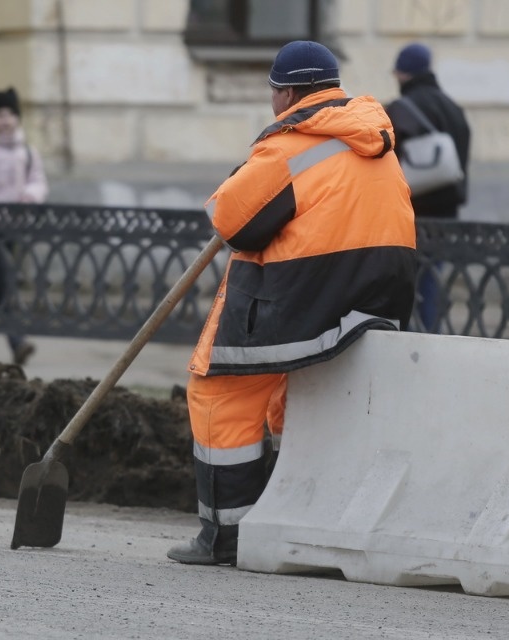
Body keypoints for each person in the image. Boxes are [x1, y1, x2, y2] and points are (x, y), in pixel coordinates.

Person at [165, 41, 417, 566]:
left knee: (218, 389)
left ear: (285, 94)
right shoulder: (376, 137)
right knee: (293, 396)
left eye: (273, 93)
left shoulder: (289, 148)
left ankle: (225, 535)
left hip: (300, 301)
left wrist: (249, 172)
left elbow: (233, 222)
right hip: (373, 303)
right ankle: (296, 516)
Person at [385, 42, 471, 332]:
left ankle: (410, 345)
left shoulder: (400, 110)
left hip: (411, 214)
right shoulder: (454, 108)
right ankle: (430, 338)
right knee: (431, 281)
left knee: (405, 286)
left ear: (402, 73)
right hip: (447, 215)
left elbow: (388, 161)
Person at [0, 87, 48, 365]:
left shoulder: (27, 151)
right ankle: (16, 342)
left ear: (17, 118)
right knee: (2, 281)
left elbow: (38, 180)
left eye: (10, 114)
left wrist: (32, 194)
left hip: (14, 228)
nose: (5, 120)